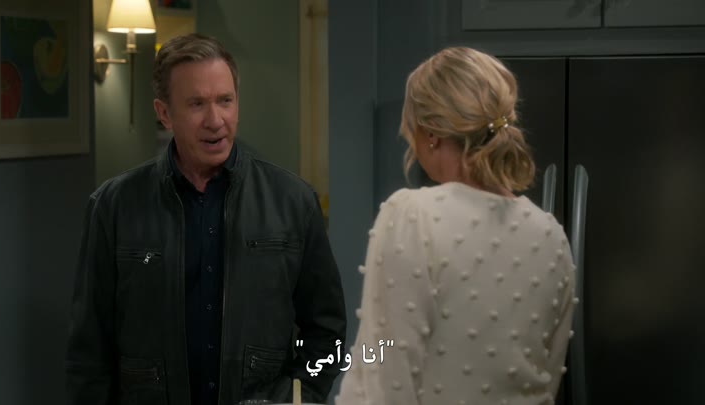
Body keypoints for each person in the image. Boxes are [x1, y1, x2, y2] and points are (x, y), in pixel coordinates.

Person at [65, 33, 346, 405]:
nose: (216, 121)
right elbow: (88, 351)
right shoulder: (114, 206)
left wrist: (294, 398)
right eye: (197, 104)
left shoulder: (293, 202)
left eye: (225, 101)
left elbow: (328, 333)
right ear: (164, 113)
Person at [336, 46, 577, 405]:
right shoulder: (550, 235)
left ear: (431, 133)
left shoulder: (412, 216)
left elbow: (383, 386)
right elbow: (547, 381)